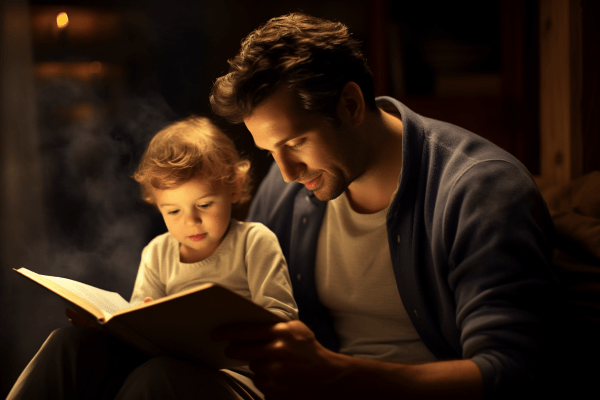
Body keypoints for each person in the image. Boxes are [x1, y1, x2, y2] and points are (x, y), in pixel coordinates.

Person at [209, 12, 564, 400]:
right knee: (158, 378)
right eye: (269, 152)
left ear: (350, 105)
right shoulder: (286, 189)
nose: (287, 172)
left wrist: (338, 376)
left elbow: (513, 372)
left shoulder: (481, 190)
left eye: (295, 143)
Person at [7, 116, 297, 399]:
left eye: (205, 204)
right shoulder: (158, 252)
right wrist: (107, 327)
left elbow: (283, 321)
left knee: (157, 375)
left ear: (235, 185)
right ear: (156, 205)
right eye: (173, 211)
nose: (191, 221)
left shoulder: (254, 241)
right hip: (168, 366)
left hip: (239, 380)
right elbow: (138, 325)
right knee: (67, 343)